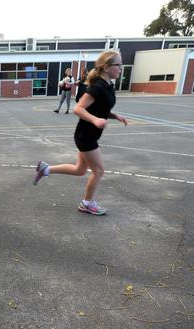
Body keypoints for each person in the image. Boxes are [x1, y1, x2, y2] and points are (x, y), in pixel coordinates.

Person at [34, 50, 128, 215]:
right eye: (118, 65)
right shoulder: (98, 87)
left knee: (80, 170)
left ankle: (46, 169)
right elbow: (79, 109)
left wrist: (114, 116)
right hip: (86, 136)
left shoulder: (108, 85)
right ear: (106, 67)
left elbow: (100, 108)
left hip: (87, 135)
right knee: (98, 171)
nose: (121, 68)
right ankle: (87, 203)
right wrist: (95, 120)